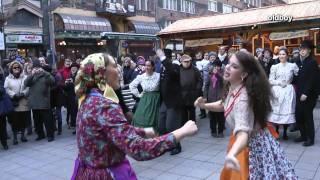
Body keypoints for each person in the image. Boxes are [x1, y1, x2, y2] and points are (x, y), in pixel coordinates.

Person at [71, 53, 198, 179]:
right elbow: (138, 149)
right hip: (106, 175)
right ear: (101, 71)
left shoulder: (88, 98)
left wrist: (141, 131)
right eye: (115, 66)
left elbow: (109, 131)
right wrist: (181, 132)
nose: (119, 71)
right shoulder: (104, 105)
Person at [195, 51, 297, 179]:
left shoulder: (243, 98)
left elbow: (243, 132)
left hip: (253, 147)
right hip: (245, 144)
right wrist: (203, 106)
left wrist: (232, 153)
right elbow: (223, 105)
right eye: (228, 63)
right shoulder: (234, 87)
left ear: (243, 74)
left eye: (234, 66)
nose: (227, 67)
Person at [268, 47, 299, 140]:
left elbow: (298, 76)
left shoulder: (292, 65)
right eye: (280, 54)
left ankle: (285, 132)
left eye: (283, 54)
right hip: (277, 91)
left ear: (287, 55)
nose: (281, 56)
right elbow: (270, 80)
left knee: (286, 111)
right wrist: (279, 83)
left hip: (288, 91)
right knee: (277, 110)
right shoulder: (275, 67)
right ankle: (276, 130)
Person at [294, 40, 320, 146]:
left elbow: (312, 80)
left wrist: (306, 93)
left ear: (309, 51)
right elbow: (296, 77)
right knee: (298, 116)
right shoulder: (298, 61)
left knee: (307, 117)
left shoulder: (312, 62)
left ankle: (310, 139)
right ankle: (303, 135)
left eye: (304, 49)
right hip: (299, 93)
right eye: (301, 49)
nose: (302, 51)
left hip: (308, 95)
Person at [158, 49, 184, 155]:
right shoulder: (161, 68)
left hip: (173, 101)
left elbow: (172, 72)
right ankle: (167, 145)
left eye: (163, 58)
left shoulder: (175, 67)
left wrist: (163, 57)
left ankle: (177, 146)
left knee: (171, 126)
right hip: (164, 101)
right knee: (161, 126)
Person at [24, 59, 55, 142]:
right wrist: (31, 74)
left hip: (44, 102)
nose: (36, 69)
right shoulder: (31, 76)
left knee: (48, 121)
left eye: (38, 67)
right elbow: (26, 83)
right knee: (37, 121)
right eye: (35, 67)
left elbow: (52, 81)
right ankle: (40, 134)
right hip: (34, 103)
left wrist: (44, 72)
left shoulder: (45, 74)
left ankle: (50, 135)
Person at [129, 60, 160, 129]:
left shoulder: (158, 76)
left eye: (149, 65)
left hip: (156, 100)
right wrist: (138, 95)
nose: (147, 67)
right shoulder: (141, 77)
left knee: (156, 119)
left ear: (153, 67)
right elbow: (131, 85)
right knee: (141, 118)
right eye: (145, 65)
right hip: (145, 99)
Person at [4, 61, 30, 145]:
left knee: (23, 120)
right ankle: (15, 137)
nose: (16, 69)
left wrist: (23, 94)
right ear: (11, 69)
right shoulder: (8, 78)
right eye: (14, 67)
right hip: (14, 102)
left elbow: (28, 87)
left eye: (18, 67)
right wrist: (14, 95)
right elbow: (6, 89)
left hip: (23, 102)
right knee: (14, 121)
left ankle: (23, 135)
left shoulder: (25, 77)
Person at [204, 60, 225, 138]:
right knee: (212, 116)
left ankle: (220, 131)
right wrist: (205, 96)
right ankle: (213, 131)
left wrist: (217, 74)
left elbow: (224, 81)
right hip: (211, 98)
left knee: (221, 116)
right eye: (215, 66)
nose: (216, 68)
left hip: (220, 98)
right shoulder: (209, 75)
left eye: (217, 66)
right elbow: (206, 86)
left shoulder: (223, 74)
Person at [180, 54, 202, 123]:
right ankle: (184, 124)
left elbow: (200, 80)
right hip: (182, 94)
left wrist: (197, 90)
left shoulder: (195, 69)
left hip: (192, 93)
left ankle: (192, 123)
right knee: (183, 111)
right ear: (181, 62)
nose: (187, 63)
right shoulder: (178, 69)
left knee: (192, 110)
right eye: (185, 62)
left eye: (188, 61)